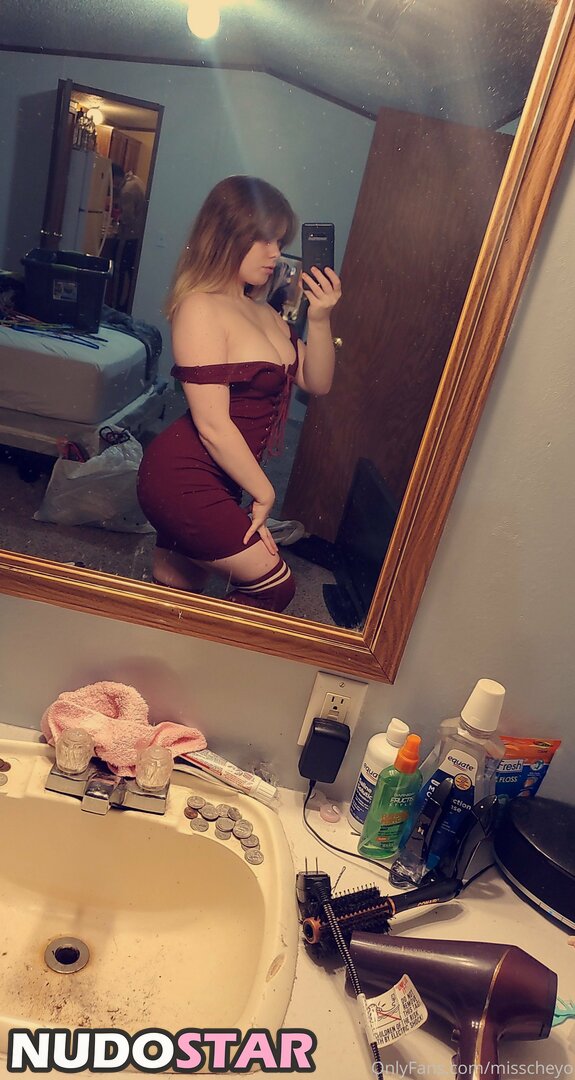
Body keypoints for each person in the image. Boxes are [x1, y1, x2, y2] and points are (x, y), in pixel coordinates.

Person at [137, 175, 341, 613]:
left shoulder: (266, 312)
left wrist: (320, 318)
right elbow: (212, 425)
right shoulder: (200, 306)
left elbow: (318, 382)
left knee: (174, 597)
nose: (275, 253)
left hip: (227, 477)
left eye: (280, 241)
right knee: (276, 587)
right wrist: (265, 493)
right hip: (182, 476)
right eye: (264, 239)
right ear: (227, 235)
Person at [111, 163, 147, 311]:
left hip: (128, 237)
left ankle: (116, 307)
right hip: (138, 237)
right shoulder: (136, 181)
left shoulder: (126, 191)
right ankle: (126, 306)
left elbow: (128, 217)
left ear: (115, 177)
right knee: (131, 275)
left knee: (118, 272)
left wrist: (118, 220)